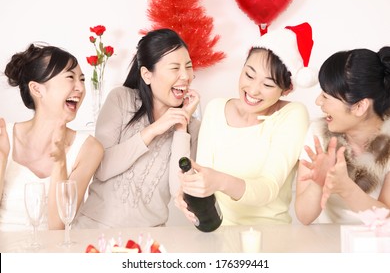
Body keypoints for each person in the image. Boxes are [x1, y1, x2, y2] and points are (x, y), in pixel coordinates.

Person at [176, 22, 316, 225]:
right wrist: (190, 191)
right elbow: (203, 175)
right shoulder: (216, 109)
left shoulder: (292, 115)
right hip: (217, 235)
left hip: (269, 239)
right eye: (249, 75)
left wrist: (219, 181)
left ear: (286, 90)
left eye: (267, 84)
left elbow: (268, 189)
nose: (253, 89)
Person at [73, 28, 201, 229]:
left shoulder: (191, 127)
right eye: (175, 68)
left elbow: (179, 190)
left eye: (188, 66)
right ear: (147, 75)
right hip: (94, 231)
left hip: (149, 240)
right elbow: (101, 169)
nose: (185, 76)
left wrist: (180, 127)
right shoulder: (121, 99)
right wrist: (153, 130)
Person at [0, 43, 104, 231]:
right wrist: (1, 157)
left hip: (49, 254)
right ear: (37, 89)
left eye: (81, 79)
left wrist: (60, 163)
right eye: (70, 78)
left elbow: (58, 228)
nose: (80, 88)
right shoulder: (3, 136)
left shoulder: (89, 149)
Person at [295, 47, 390, 225]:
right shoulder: (319, 133)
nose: (318, 102)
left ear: (360, 106)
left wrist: (346, 188)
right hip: (327, 245)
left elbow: (387, 220)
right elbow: (304, 216)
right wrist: (318, 182)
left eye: (326, 96)